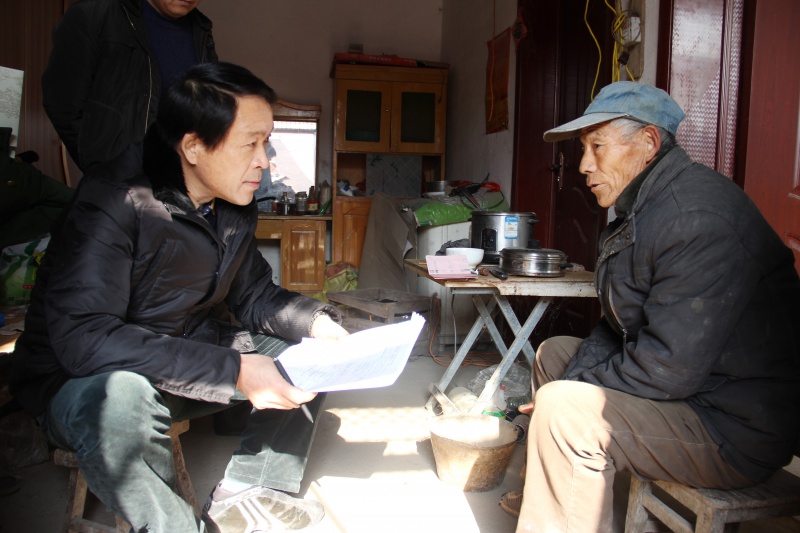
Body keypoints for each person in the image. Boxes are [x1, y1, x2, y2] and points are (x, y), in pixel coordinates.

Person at [10, 61, 349, 532]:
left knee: (314, 355)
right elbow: (85, 339)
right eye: (250, 143)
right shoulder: (113, 199)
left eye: (266, 142)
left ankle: (249, 490)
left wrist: (317, 323)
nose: (265, 160)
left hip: (183, 353)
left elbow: (254, 294)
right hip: (80, 378)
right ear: (192, 146)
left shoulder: (231, 203)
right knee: (120, 400)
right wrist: (234, 369)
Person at [506, 81, 800, 532]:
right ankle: (554, 497)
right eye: (584, 148)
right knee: (555, 354)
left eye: (597, 146)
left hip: (731, 426)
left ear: (648, 143)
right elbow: (618, 327)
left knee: (565, 411)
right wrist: (570, 380)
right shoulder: (646, 207)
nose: (584, 165)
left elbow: (666, 367)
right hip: (694, 393)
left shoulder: (695, 218)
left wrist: (564, 395)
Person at [42, 0, 217, 173]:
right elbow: (62, 105)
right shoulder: (96, 14)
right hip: (121, 178)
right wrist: (105, 171)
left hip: (183, 176)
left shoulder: (200, 28)